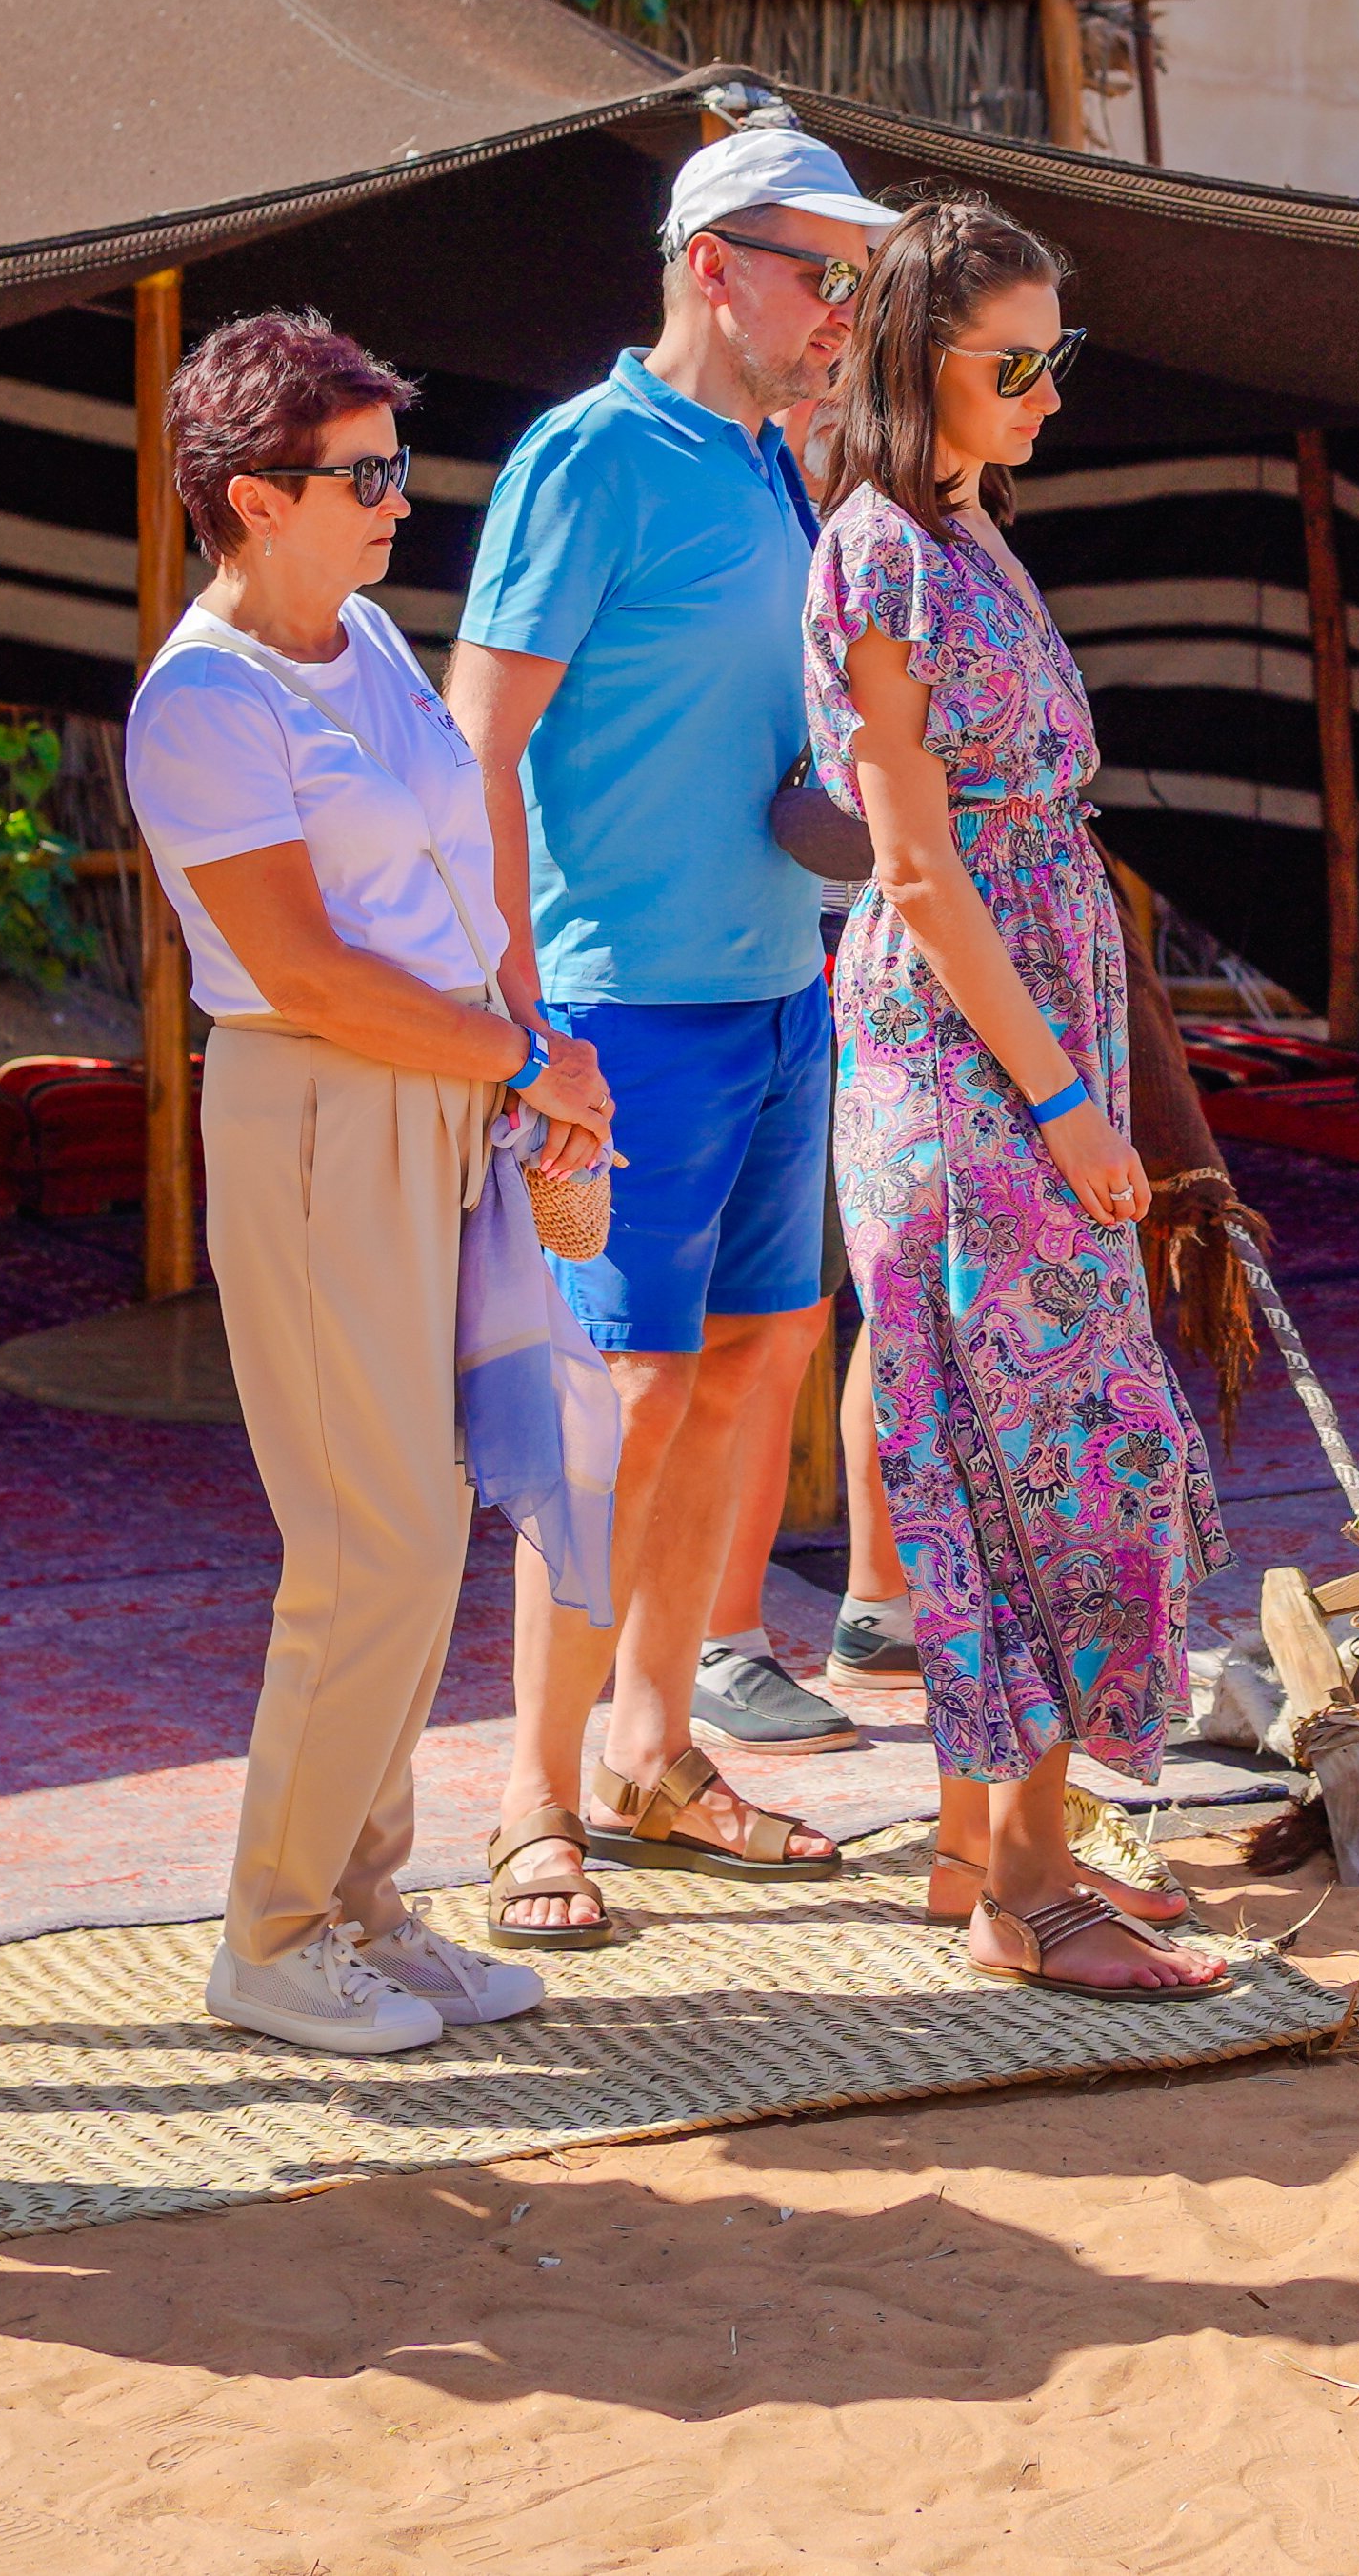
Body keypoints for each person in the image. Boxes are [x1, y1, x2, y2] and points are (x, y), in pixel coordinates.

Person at [125, 314, 619, 2046]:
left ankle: (359, 1902)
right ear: (255, 499)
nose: (400, 502)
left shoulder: (362, 644)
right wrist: (520, 1061)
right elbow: (306, 969)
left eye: (396, 467)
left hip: (442, 1096)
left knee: (424, 1522)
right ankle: (269, 1937)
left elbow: (462, 863)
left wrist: (523, 1044)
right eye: (366, 476)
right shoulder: (202, 695)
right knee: (376, 1540)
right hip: (325, 1105)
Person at [447, 119, 885, 1907]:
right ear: (712, 263)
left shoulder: (783, 464)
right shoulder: (590, 457)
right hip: (622, 1012)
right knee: (611, 1402)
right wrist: (522, 1021)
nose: (847, 307)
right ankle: (531, 1797)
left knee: (756, 1367)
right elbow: (474, 737)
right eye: (819, 271)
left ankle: (649, 1753)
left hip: (787, 987)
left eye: (857, 277)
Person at [804, 195, 1230, 1997]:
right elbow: (912, 865)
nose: (1051, 389)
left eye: (1061, 355)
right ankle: (1022, 1893)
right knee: (1037, 1457)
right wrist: (1065, 1100)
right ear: (925, 362)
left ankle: (988, 1850)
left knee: (1050, 1440)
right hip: (964, 1054)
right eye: (1018, 360)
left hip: (1027, 1028)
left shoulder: (967, 527)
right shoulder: (884, 551)